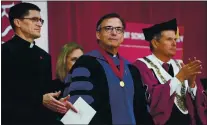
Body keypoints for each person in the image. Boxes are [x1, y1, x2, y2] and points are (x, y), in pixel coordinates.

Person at [63, 13, 153, 124]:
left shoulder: (131, 69)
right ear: (98, 34)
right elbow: (78, 104)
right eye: (108, 28)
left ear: (123, 35)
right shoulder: (86, 63)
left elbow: (141, 109)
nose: (114, 33)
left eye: (118, 29)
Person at [2, 3, 76, 125]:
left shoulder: (44, 56)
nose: (39, 24)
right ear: (18, 22)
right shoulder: (4, 53)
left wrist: (56, 104)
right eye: (34, 19)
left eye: (40, 20)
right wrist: (39, 100)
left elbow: (45, 96)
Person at [133, 18, 207, 125]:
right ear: (155, 43)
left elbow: (198, 105)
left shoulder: (180, 65)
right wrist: (179, 78)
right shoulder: (142, 66)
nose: (174, 43)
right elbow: (151, 101)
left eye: (175, 40)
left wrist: (192, 84)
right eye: (169, 39)